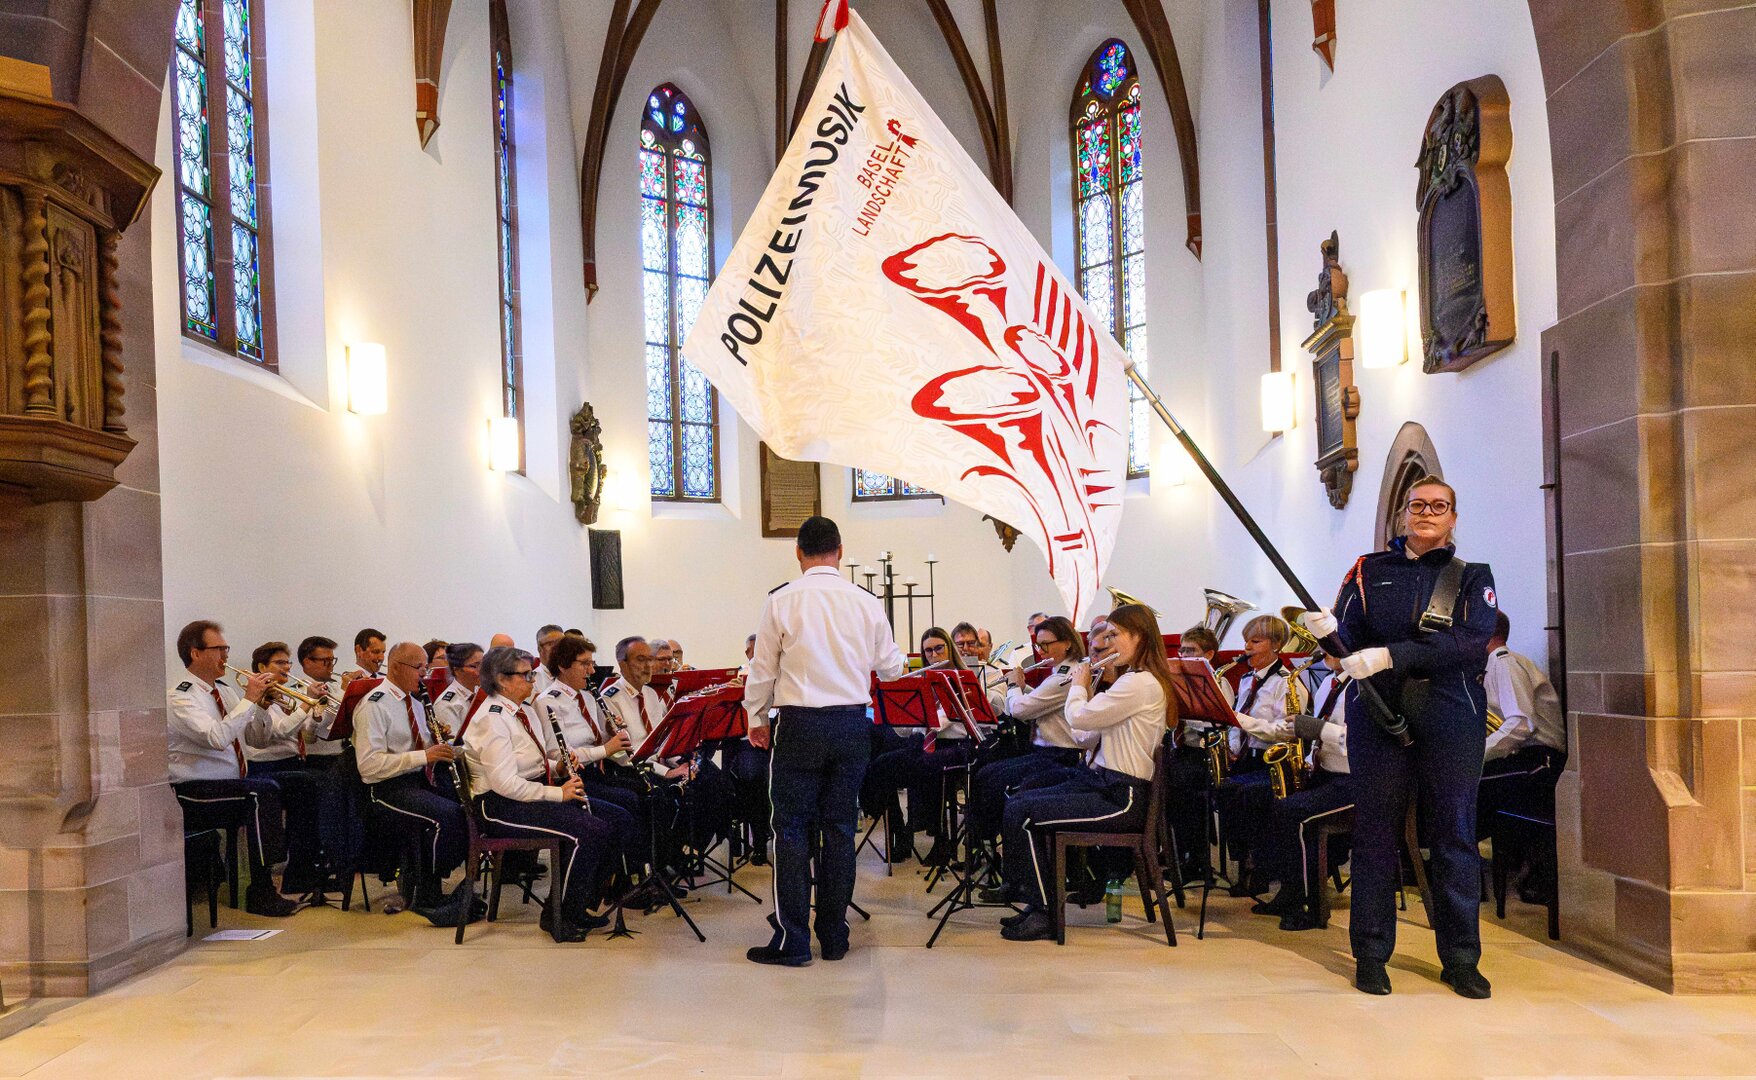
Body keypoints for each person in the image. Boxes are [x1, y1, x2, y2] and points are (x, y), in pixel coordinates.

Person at [1305, 475, 1497, 998]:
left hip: (1451, 711)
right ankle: (1371, 955)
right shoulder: (1368, 570)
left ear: (1453, 517)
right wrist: (1328, 635)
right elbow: (1345, 650)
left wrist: (1392, 654)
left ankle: (1461, 959)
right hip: (1377, 710)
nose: (1427, 513)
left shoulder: (1472, 576)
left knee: (1454, 834)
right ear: (1403, 514)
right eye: (1417, 505)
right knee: (1375, 833)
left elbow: (1469, 642)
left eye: (1438, 506)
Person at [744, 515, 907, 965]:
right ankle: (835, 937)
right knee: (839, 829)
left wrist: (755, 717)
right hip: (852, 725)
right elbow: (892, 668)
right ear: (840, 551)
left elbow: (762, 669)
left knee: (791, 829)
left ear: (798, 552)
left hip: (799, 725)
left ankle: (793, 941)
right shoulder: (866, 601)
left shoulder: (781, 600)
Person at [997, 603, 1175, 942]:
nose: (1107, 643)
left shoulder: (1140, 684)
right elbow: (1084, 735)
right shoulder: (1130, 681)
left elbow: (1077, 718)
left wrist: (1078, 686)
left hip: (1123, 797)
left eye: (1114, 635)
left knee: (1022, 813)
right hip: (1102, 782)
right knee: (1019, 799)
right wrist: (1089, 693)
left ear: (1138, 637)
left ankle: (1044, 911)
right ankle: (1038, 903)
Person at [464, 646, 616, 942]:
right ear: (502, 680)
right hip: (498, 808)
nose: (533, 680)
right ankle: (558, 915)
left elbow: (530, 763)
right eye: (526, 675)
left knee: (610, 822)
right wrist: (558, 794)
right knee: (586, 833)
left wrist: (558, 767)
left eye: (532, 674)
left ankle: (579, 905)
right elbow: (505, 784)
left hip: (524, 797)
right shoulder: (492, 720)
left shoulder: (522, 711)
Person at [167, 620, 301, 916]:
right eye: (219, 649)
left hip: (229, 784)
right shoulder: (180, 696)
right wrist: (250, 699)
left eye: (226, 648)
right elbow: (217, 738)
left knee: (299, 784)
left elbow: (257, 739)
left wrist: (261, 706)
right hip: (194, 790)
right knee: (261, 792)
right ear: (196, 653)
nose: (226, 655)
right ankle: (261, 890)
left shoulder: (225, 691)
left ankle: (303, 870)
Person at [354, 641, 470, 919]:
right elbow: (369, 766)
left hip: (417, 781)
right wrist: (425, 755)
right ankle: (425, 890)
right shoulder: (374, 706)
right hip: (384, 789)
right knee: (446, 816)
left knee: (467, 806)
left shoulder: (415, 703)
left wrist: (446, 745)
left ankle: (428, 881)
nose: (424, 675)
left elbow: (425, 749)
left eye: (426, 668)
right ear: (395, 667)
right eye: (419, 668)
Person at [1249, 661, 1355, 930]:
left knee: (1294, 813)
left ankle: (1310, 905)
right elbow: (1316, 737)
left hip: (1355, 781)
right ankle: (1288, 888)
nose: (1323, 653)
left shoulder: (1362, 687)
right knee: (1266, 798)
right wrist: (1306, 760)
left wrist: (1317, 729)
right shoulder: (1329, 684)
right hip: (1324, 773)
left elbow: (1358, 744)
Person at [967, 617, 1087, 852]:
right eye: (1038, 645)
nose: (1041, 651)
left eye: (1046, 644)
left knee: (994, 781)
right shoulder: (1059, 673)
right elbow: (1039, 700)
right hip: (1045, 752)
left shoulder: (1066, 676)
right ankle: (983, 843)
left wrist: (1013, 686)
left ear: (1067, 644)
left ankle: (988, 845)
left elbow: (1020, 710)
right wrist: (1021, 688)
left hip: (1059, 756)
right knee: (985, 773)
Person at [861, 626, 970, 864]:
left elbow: (941, 722)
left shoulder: (962, 679)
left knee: (928, 766)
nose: (934, 655)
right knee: (881, 765)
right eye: (928, 651)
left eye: (939, 648)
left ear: (949, 649)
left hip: (954, 745)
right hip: (923, 743)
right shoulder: (923, 682)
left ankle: (941, 838)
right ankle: (899, 831)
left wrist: (920, 718)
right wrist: (897, 713)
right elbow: (909, 730)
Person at [533, 634, 645, 867]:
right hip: (572, 781)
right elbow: (557, 755)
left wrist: (609, 732)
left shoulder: (586, 696)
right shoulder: (547, 702)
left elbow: (596, 740)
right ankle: (616, 877)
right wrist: (606, 749)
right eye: (584, 664)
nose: (592, 671)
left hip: (596, 773)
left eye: (592, 663)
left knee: (644, 794)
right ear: (563, 666)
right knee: (623, 809)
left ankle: (635, 871)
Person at [1479, 612, 1565, 901]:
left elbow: (1520, 725)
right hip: (1525, 756)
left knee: (1462, 787)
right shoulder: (1496, 665)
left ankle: (1466, 871)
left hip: (1539, 759)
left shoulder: (1504, 663)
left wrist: (1476, 755)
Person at [244, 641, 337, 895]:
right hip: (266, 767)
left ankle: (307, 869)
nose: (286, 667)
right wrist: (307, 704)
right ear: (261, 667)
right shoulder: (258, 698)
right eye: (279, 663)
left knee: (326, 785)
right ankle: (298, 871)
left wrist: (318, 714)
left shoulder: (286, 696)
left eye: (287, 662)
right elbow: (281, 731)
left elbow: (308, 736)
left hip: (293, 763)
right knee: (314, 785)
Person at [433, 642, 485, 738]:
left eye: (483, 665)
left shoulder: (481, 693)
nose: (482, 670)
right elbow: (454, 744)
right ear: (456, 670)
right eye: (474, 666)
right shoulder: (446, 704)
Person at [533, 625, 565, 696]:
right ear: (540, 648)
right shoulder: (532, 681)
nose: (559, 648)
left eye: (562, 643)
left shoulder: (572, 675)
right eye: (552, 644)